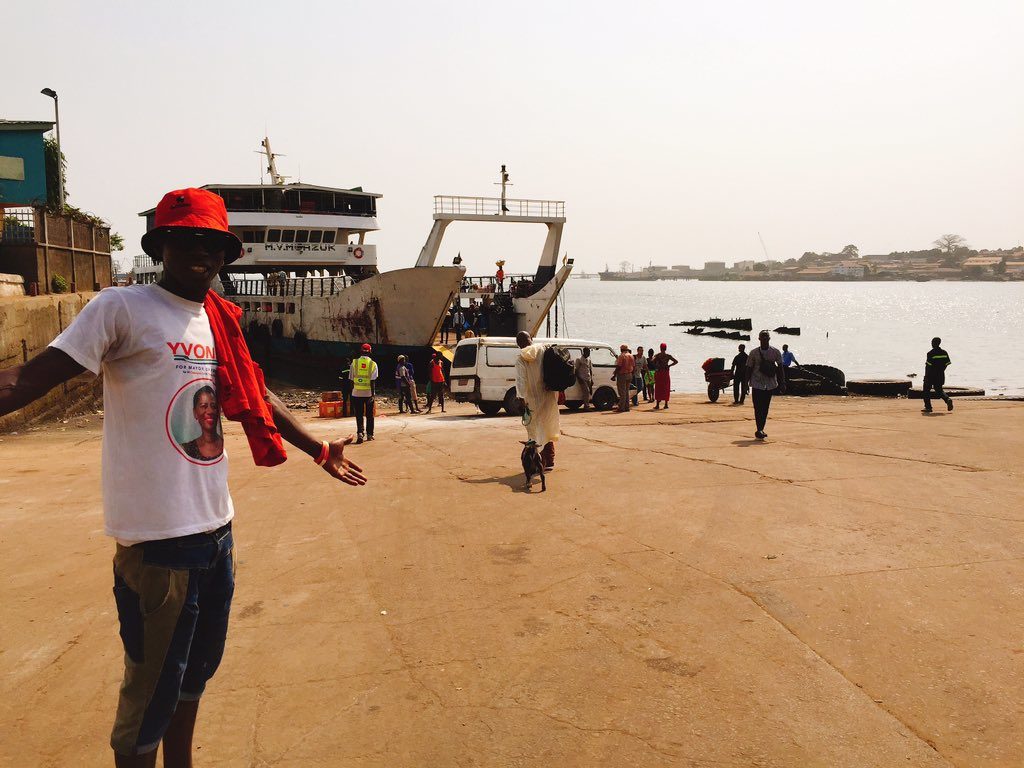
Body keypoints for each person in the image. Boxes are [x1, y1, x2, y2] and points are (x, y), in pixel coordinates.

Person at [0, 187, 366, 768]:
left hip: (216, 531)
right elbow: (27, 379)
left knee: (194, 677)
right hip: (158, 545)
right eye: (189, 239)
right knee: (149, 698)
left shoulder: (217, 320)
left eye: (215, 243)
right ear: (161, 245)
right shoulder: (121, 309)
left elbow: (256, 394)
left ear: (227, 254)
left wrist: (318, 450)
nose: (204, 252)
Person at [515, 331, 559, 469]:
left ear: (518, 344)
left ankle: (535, 463)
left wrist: (521, 398)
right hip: (547, 395)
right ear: (531, 339)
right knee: (547, 427)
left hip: (531, 399)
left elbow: (521, 380)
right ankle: (549, 461)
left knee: (533, 431)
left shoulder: (521, 357)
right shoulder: (543, 349)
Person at [746, 330, 786, 439]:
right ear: (759, 339)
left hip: (770, 384)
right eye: (762, 337)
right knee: (757, 407)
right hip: (756, 383)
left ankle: (761, 428)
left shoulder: (775, 352)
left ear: (769, 339)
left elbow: (780, 368)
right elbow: (748, 369)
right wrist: (745, 384)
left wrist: (782, 382)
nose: (764, 339)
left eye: (766, 337)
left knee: (765, 407)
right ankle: (759, 429)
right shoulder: (753, 353)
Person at [179, 385, 224, 461]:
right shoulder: (186, 449)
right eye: (203, 406)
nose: (210, 411)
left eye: (213, 406)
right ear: (195, 413)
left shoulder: (222, 446)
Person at [350, 343, 378, 442]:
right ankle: (370, 435)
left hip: (356, 393)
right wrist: (373, 395)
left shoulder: (354, 363)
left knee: (359, 414)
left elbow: (351, 379)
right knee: (370, 415)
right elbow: (373, 381)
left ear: (361, 351)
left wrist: (352, 393)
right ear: (370, 352)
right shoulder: (373, 364)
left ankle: (360, 434)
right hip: (368, 393)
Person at [922, 336, 954, 413]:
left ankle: (928, 407)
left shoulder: (930, 353)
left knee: (926, 390)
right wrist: (942, 370)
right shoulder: (944, 352)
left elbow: (928, 366)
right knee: (939, 390)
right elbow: (947, 364)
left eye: (932, 343)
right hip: (940, 374)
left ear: (933, 343)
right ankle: (947, 399)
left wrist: (926, 376)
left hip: (930, 375)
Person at [651, 342, 678, 410]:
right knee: (666, 387)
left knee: (658, 387)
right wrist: (669, 365)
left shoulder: (658, 355)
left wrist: (657, 365)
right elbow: (676, 361)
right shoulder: (668, 356)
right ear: (665, 348)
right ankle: (666, 404)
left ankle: (657, 404)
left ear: (660, 348)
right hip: (666, 373)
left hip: (659, 372)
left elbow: (652, 361)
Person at [613, 344, 635, 412]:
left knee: (622, 392)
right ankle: (627, 407)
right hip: (629, 374)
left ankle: (621, 407)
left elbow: (619, 366)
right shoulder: (631, 356)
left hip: (622, 375)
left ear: (621, 349)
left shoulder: (622, 356)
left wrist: (614, 375)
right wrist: (632, 374)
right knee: (626, 392)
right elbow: (634, 366)